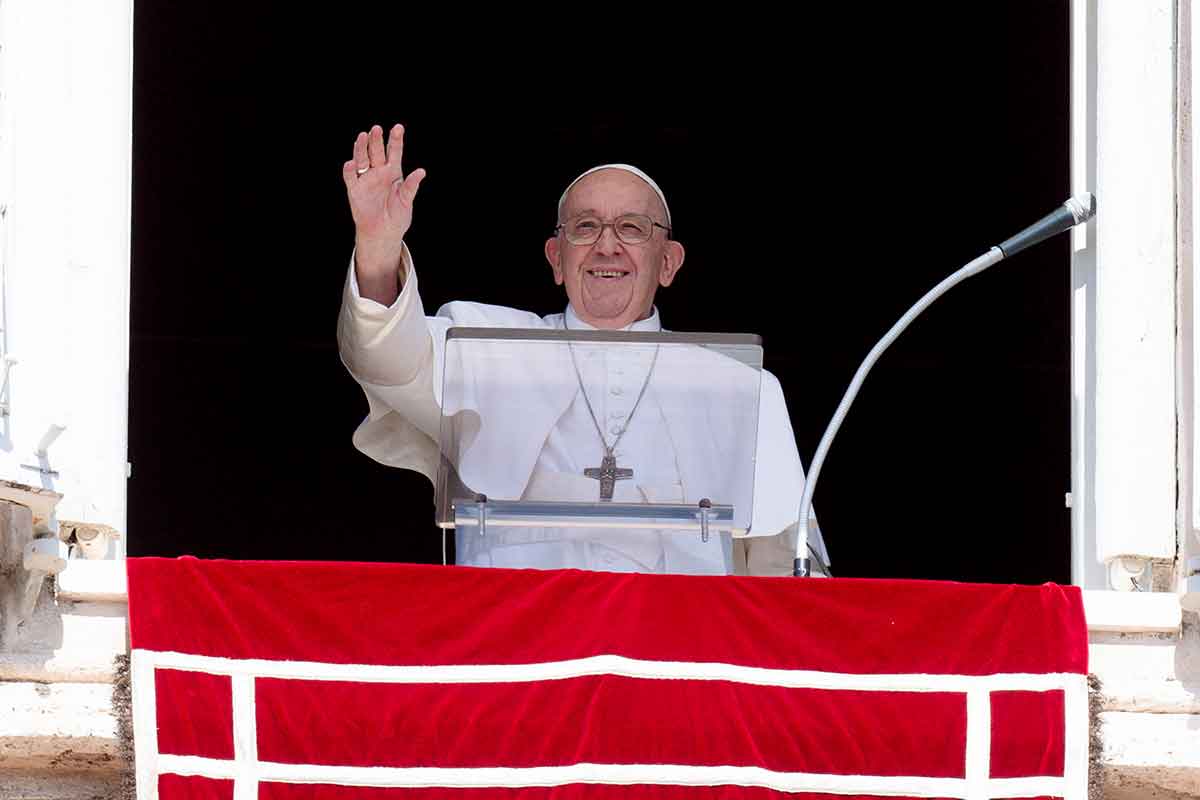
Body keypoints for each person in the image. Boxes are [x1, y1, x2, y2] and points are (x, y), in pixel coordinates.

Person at [337, 123, 830, 576]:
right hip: (520, 633)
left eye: (632, 228)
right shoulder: (488, 346)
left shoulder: (740, 387)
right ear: (557, 258)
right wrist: (378, 246)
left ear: (668, 263)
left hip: (677, 636)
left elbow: (785, 566)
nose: (607, 246)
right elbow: (386, 360)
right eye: (586, 227)